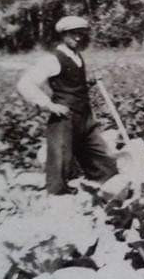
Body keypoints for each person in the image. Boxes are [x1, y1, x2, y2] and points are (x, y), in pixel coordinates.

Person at [16, 16, 118, 195]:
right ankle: (57, 200)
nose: (78, 38)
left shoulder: (77, 57)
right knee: (60, 161)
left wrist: (90, 82)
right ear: (63, 34)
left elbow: (72, 85)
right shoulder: (52, 59)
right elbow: (25, 84)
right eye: (73, 34)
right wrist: (48, 105)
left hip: (85, 116)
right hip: (65, 117)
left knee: (104, 162)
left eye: (81, 34)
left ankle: (104, 186)